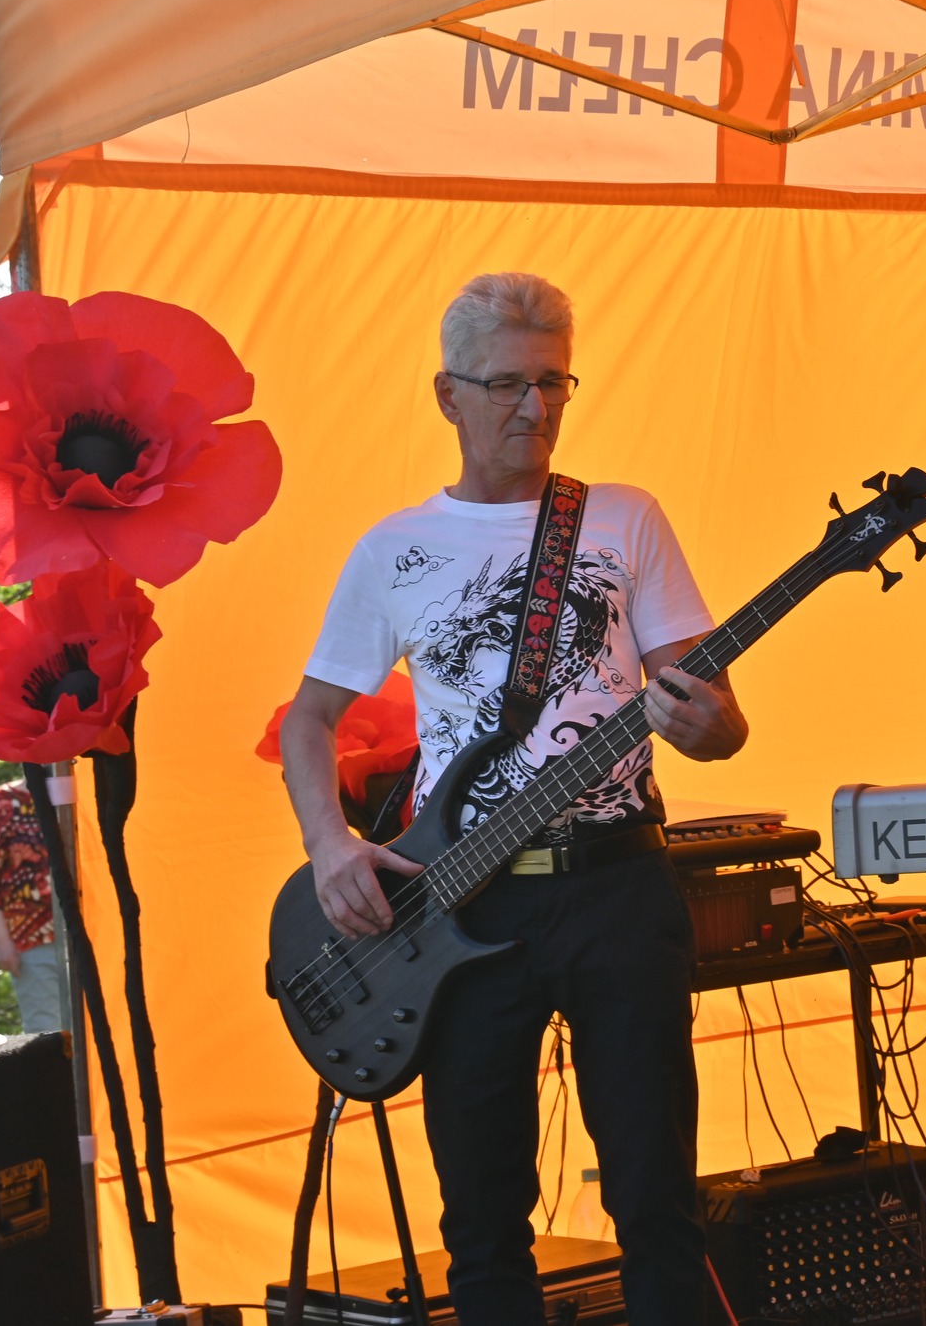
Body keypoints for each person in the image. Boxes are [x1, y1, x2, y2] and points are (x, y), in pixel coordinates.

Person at [277, 273, 747, 1325]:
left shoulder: (624, 518)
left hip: (618, 885)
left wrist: (705, 724)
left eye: (553, 382)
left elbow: (720, 719)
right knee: (483, 1220)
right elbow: (308, 720)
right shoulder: (394, 550)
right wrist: (330, 845)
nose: (534, 408)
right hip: (461, 902)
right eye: (506, 385)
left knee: (656, 1199)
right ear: (447, 395)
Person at [0, 778, 67, 1033]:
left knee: (94, 1030)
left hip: (89, 935)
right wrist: (2, 941)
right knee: (45, 1031)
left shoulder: (84, 790)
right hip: (32, 940)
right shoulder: (4, 801)